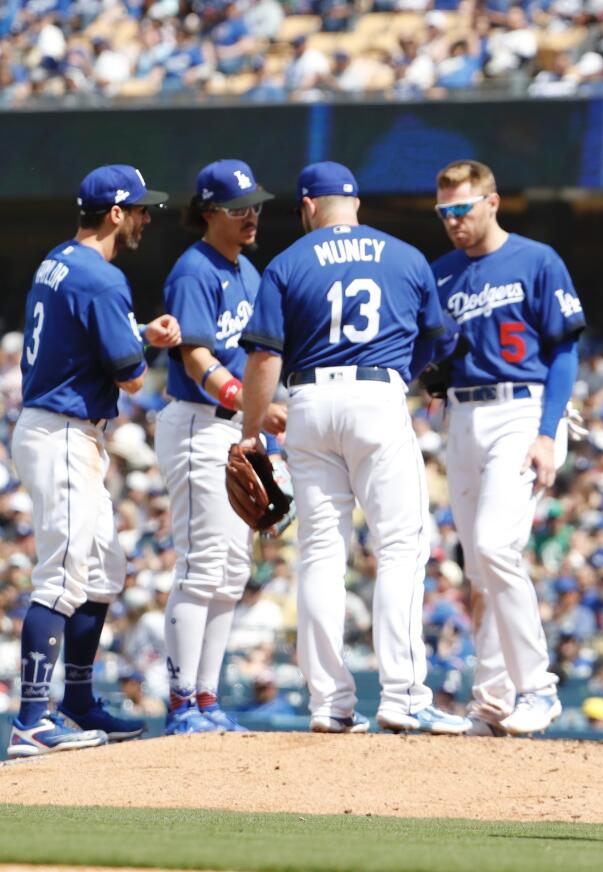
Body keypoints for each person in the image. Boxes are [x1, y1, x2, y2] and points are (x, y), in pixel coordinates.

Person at [237, 161, 468, 736]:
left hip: (309, 402)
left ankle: (330, 703)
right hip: (377, 393)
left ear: (310, 207)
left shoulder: (288, 262)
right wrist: (398, 376)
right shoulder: (406, 255)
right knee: (401, 545)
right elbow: (437, 343)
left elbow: (264, 356)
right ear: (355, 204)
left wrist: (252, 429)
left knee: (320, 553)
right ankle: (404, 694)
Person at [9, 165, 181, 757]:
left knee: (104, 570)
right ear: (115, 213)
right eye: (138, 209)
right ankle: (31, 718)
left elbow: (79, 330)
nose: (145, 218)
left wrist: (135, 330)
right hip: (60, 430)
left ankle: (77, 701)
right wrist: (143, 346)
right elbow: (132, 378)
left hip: (61, 428)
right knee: (61, 578)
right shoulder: (102, 278)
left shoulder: (59, 260)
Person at [428, 159, 585, 736]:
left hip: (524, 407)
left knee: (495, 548)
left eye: (461, 208)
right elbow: (433, 354)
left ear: (492, 202)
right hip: (463, 414)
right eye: (443, 211)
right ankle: (491, 701)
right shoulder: (440, 271)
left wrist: (547, 433)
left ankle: (537, 688)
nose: (452, 221)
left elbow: (564, 351)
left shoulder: (536, 259)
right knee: (480, 568)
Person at [156, 159, 290, 736]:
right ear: (209, 212)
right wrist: (248, 405)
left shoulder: (248, 272)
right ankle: (181, 701)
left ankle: (206, 699)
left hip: (234, 427)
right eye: (240, 208)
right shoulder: (195, 269)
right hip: (197, 419)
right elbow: (195, 356)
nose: (252, 215)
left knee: (232, 570)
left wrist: (257, 416)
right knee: (202, 565)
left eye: (255, 205)